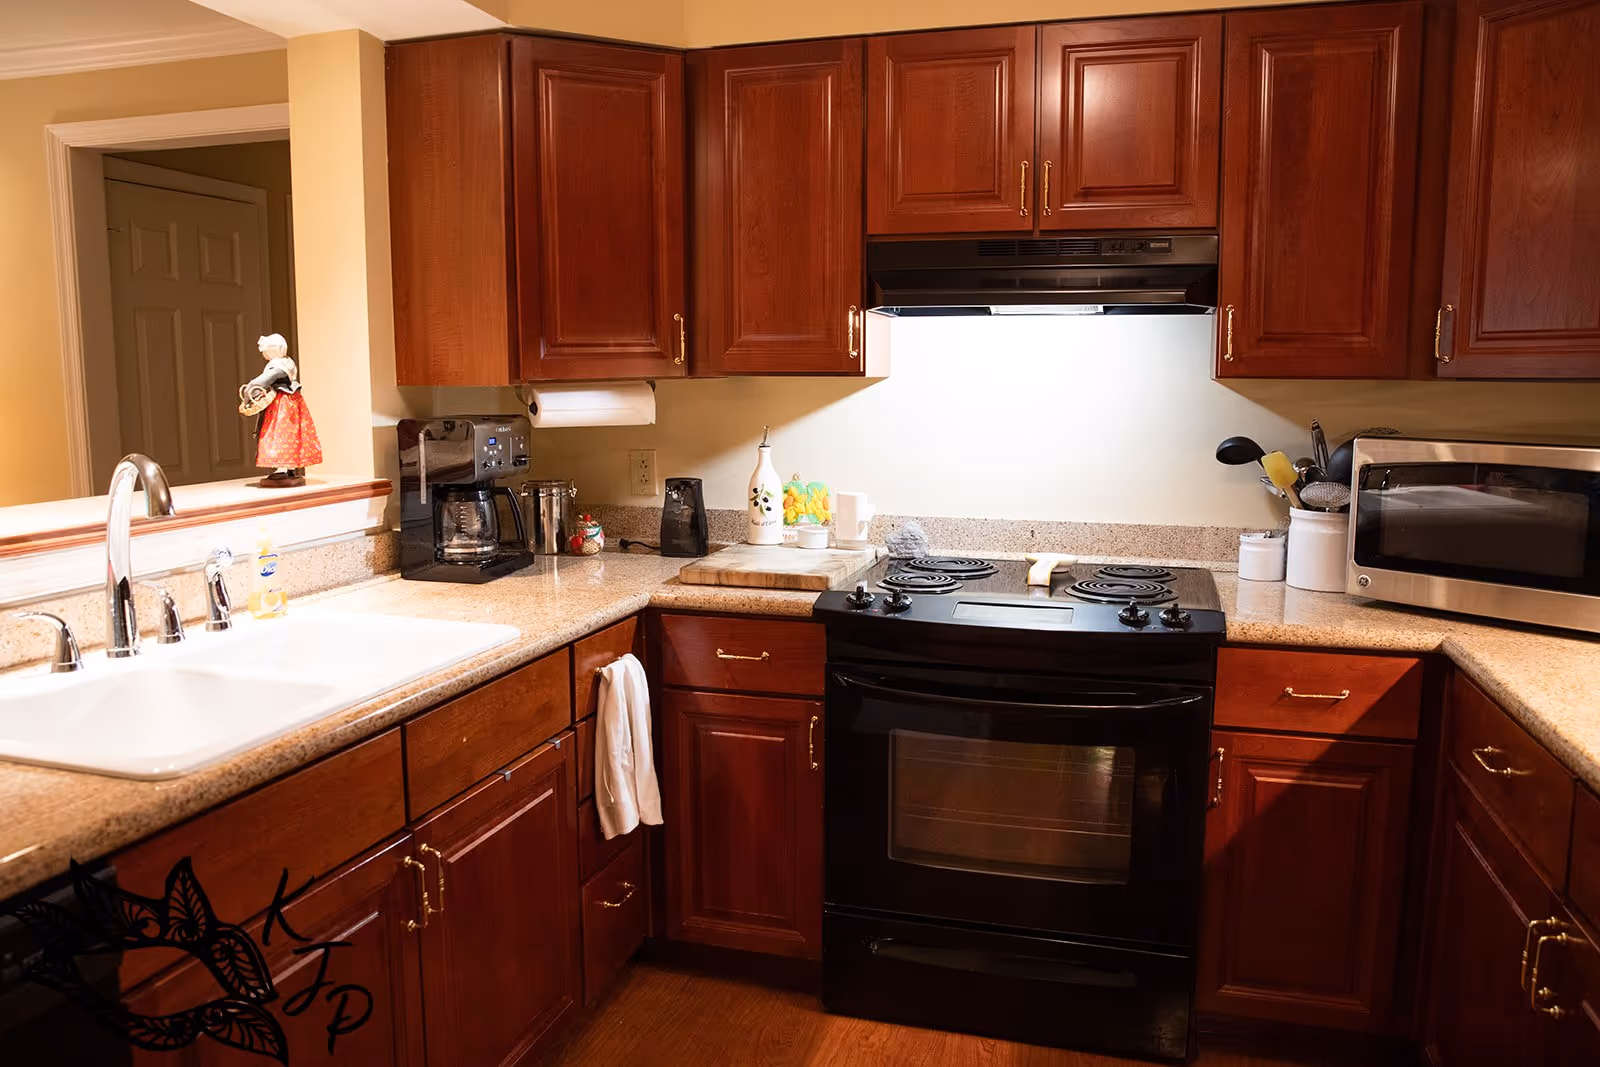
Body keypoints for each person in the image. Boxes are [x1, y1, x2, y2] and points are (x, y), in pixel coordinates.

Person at [238, 334, 322, 485]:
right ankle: (288, 469)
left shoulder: (280, 366)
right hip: (286, 401)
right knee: (287, 433)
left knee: (281, 433)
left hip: (283, 403)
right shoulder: (284, 362)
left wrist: (250, 387)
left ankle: (285, 468)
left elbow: (265, 379)